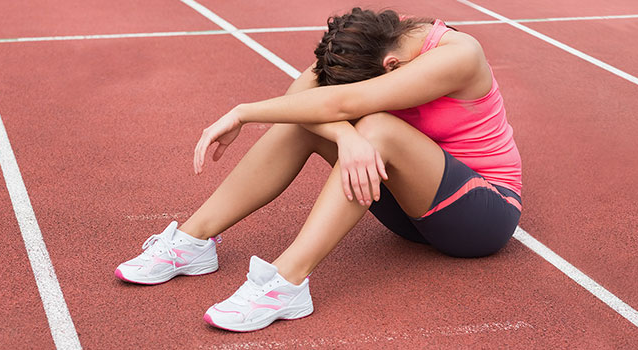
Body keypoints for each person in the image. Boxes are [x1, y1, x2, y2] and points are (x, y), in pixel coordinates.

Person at [115, 7, 522, 332]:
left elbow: (340, 104)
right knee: (309, 127)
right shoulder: (365, 39)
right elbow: (299, 97)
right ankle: (193, 241)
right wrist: (345, 137)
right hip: (411, 210)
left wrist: (243, 113)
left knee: (376, 127)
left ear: (393, 65)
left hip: (480, 213)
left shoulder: (459, 54)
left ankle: (287, 283)